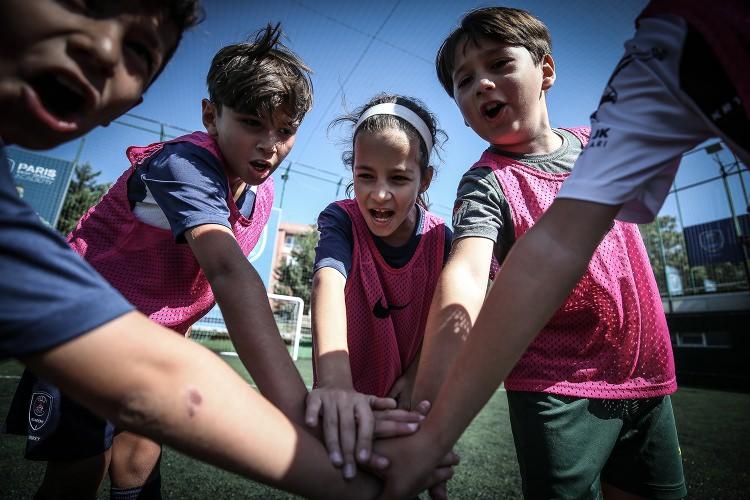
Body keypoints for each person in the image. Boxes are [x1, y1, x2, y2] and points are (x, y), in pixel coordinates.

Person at [0, 3, 455, 498]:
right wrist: (304, 413)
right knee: (79, 470)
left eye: (284, 130)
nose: (269, 145)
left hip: (161, 344)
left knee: (139, 458)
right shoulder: (185, 164)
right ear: (210, 115)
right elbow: (230, 273)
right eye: (251, 123)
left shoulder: (260, 190)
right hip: (87, 334)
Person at [372, 6, 693, 499]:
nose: (481, 84)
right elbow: (467, 276)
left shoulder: (599, 147)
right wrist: (428, 399)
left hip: (648, 374)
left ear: (545, 70)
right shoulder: (486, 183)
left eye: (499, 64)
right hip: (555, 387)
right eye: (463, 80)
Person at [305, 94, 452, 481]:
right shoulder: (341, 219)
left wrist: (420, 373)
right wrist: (337, 384)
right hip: (345, 402)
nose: (379, 193)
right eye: (365, 175)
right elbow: (327, 282)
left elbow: (453, 314)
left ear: (425, 179)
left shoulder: (443, 239)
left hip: (405, 405)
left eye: (399, 177)